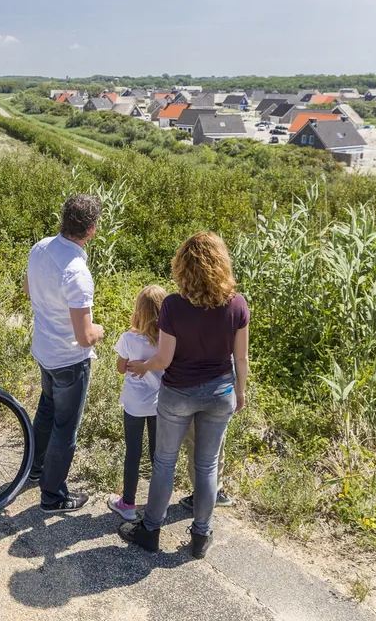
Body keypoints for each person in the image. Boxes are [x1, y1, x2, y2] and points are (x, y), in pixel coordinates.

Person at [119, 232, 249, 559]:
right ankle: (201, 536)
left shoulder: (174, 306)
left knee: (164, 463)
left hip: (178, 393)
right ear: (221, 263)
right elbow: (241, 358)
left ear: (182, 266)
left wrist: (140, 366)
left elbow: (163, 360)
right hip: (220, 392)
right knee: (206, 467)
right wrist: (241, 392)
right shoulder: (237, 304)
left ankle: (150, 530)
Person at [25, 194, 104, 512]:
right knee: (65, 427)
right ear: (92, 230)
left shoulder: (40, 247)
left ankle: (34, 469)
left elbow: (30, 291)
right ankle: (53, 496)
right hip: (69, 361)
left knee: (46, 410)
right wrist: (99, 329)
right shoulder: (78, 274)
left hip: (44, 349)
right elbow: (85, 337)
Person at [106, 285, 168, 521]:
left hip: (134, 403)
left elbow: (121, 368)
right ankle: (156, 505)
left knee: (133, 452)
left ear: (138, 311)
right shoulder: (167, 339)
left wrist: (134, 362)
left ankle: (128, 503)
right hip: (158, 403)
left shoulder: (128, 338)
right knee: (157, 454)